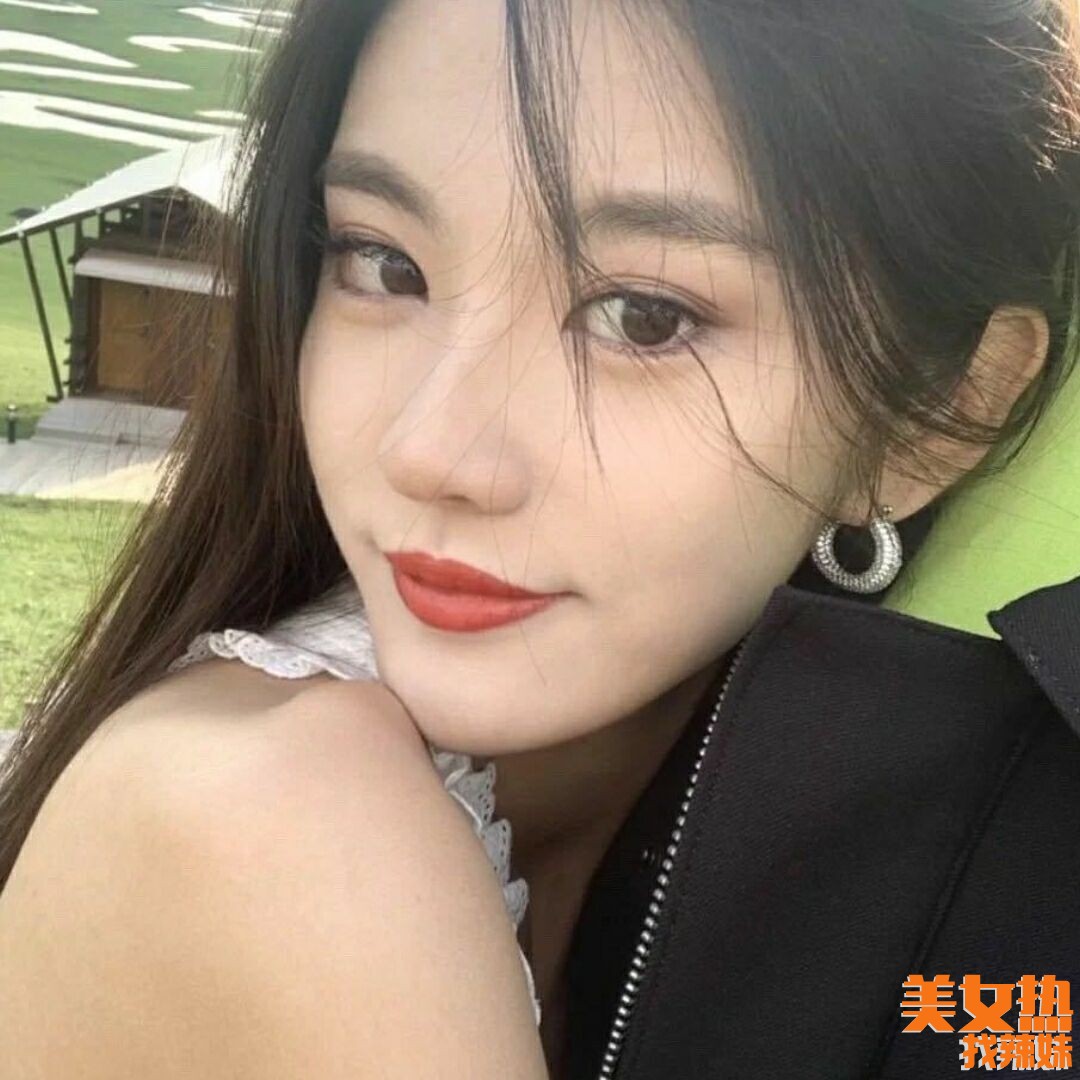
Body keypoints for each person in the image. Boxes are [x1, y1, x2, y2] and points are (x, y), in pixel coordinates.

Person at [1, 0, 1079, 1076]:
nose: (433, 451)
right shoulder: (269, 816)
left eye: (643, 317)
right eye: (384, 263)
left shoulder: (849, 839)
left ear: (934, 418)